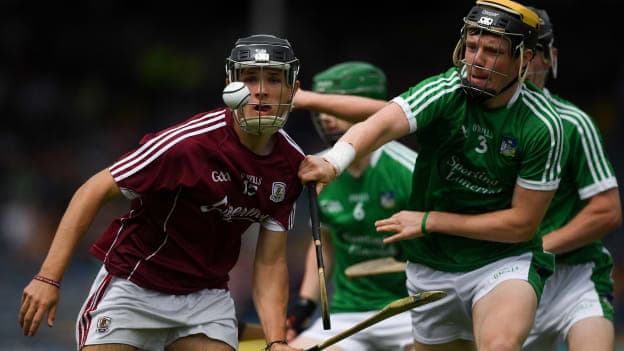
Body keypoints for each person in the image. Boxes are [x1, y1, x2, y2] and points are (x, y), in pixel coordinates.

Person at [297, 1, 567, 350]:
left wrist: (430, 221)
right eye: (472, 47)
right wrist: (334, 162)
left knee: (499, 344)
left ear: (525, 58)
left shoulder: (544, 126)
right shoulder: (445, 89)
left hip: (502, 260)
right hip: (432, 266)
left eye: (492, 51)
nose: (477, 60)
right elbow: (384, 122)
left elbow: (521, 224)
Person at [19, 33, 306, 351]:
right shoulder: (187, 145)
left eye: (274, 80)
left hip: (206, 299)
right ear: (231, 86)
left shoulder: (291, 166)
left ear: (293, 90)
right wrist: (48, 277)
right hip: (135, 286)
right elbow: (93, 189)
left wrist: (276, 340)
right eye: (250, 79)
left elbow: (270, 263)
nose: (262, 90)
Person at [286, 62, 417, 351]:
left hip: (410, 311)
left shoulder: (409, 170)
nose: (325, 117)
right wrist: (305, 305)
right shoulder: (316, 170)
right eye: (320, 109)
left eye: (336, 107)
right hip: (347, 314)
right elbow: (326, 242)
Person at [521, 8, 622, 351]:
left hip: (575, 279)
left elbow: (607, 211)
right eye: (519, 52)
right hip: (507, 282)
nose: (526, 63)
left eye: (534, 53)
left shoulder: (574, 124)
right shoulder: (479, 125)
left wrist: (536, 246)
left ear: (551, 58)